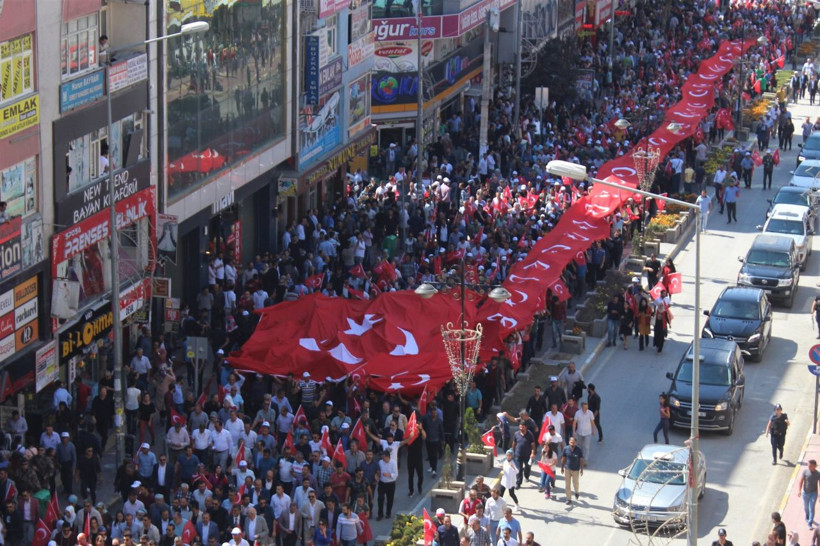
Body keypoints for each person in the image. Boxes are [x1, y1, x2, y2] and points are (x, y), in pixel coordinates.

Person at [560, 437, 584, 505]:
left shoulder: (579, 450)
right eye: (571, 442)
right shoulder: (566, 449)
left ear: (576, 443)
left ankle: (576, 492)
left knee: (575, 483)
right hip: (567, 469)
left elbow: (581, 460)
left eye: (573, 442)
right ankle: (568, 499)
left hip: (576, 470)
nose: (572, 443)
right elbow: (563, 458)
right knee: (567, 485)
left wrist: (581, 469)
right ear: (569, 442)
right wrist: (562, 467)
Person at [511, 424, 534, 489]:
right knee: (519, 469)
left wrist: (532, 453)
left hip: (527, 455)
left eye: (523, 426)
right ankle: (518, 483)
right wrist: (512, 451)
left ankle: (526, 476)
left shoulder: (530, 434)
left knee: (527, 467)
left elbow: (533, 444)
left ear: (526, 427)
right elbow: (514, 443)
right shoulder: (516, 434)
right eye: (520, 426)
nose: (521, 428)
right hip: (518, 455)